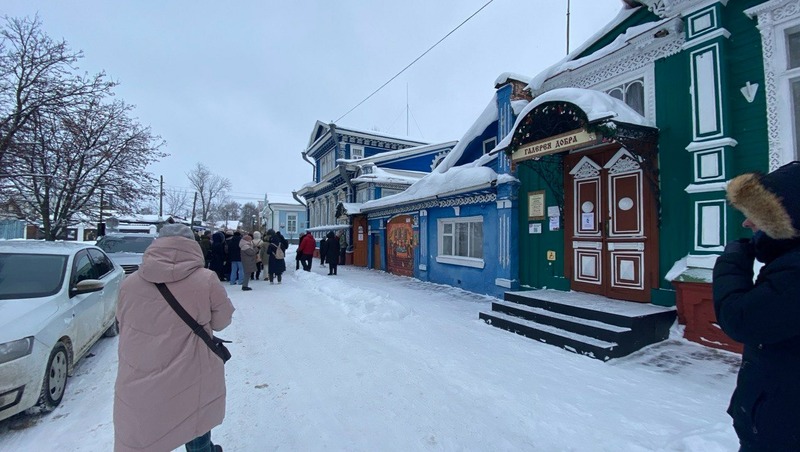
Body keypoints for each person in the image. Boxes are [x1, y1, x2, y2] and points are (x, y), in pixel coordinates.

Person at [114, 223, 234, 452]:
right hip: (191, 368)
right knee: (194, 421)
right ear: (192, 245)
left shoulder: (130, 283)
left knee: (146, 430)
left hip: (141, 371)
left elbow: (123, 320)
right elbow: (222, 321)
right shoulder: (206, 279)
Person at [713, 161, 800, 451]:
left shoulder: (794, 271)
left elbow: (740, 319)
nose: (746, 222)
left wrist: (731, 261)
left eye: (754, 214)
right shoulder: (787, 263)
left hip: (780, 429)